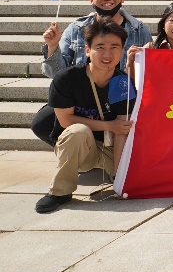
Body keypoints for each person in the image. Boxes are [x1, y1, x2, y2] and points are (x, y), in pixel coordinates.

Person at [35, 18, 136, 213]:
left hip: (109, 148)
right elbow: (66, 120)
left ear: (122, 50)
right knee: (78, 131)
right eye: (100, 47)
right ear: (87, 50)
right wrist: (109, 126)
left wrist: (119, 178)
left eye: (114, 47)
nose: (107, 54)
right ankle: (60, 192)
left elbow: (121, 130)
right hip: (79, 147)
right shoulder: (67, 79)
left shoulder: (123, 83)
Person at [40, 0, 152, 80]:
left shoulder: (139, 31)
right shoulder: (76, 29)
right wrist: (53, 47)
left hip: (124, 92)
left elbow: (150, 72)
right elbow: (56, 74)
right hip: (83, 92)